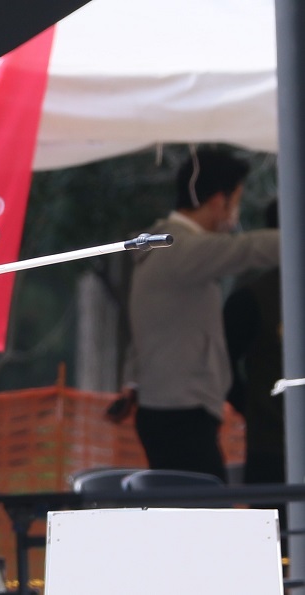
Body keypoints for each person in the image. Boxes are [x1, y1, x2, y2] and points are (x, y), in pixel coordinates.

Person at [121, 147, 279, 482]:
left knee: (195, 511)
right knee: (205, 516)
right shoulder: (178, 248)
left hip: (173, 408)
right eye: (236, 200)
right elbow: (245, 250)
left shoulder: (163, 247)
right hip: (181, 411)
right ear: (219, 201)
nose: (235, 212)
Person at [224, 201, 284, 485]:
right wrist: (254, 406)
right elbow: (223, 362)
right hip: (272, 448)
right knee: (277, 528)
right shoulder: (254, 299)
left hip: (269, 440)